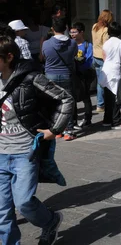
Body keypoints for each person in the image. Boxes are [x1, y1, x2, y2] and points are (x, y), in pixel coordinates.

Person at [0, 36, 74, 245]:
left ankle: (50, 221)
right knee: (2, 212)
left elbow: (65, 99)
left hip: (24, 152)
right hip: (0, 153)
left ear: (9, 57)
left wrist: (54, 129)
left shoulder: (30, 78)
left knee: (23, 202)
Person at [41, 17, 78, 140]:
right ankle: (69, 130)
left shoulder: (46, 43)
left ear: (52, 29)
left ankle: (56, 130)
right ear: (66, 28)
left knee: (54, 103)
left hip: (50, 75)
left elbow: (43, 57)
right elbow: (74, 56)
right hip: (66, 74)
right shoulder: (72, 43)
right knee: (68, 103)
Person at [98, 22, 121, 129]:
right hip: (115, 69)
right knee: (114, 96)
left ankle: (107, 120)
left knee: (108, 96)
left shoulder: (106, 43)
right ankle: (117, 121)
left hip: (106, 69)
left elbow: (104, 57)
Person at [70, 22, 95, 128]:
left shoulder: (87, 45)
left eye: (75, 32)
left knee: (86, 96)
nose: (72, 34)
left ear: (81, 32)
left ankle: (88, 118)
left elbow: (89, 60)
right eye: (71, 32)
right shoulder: (70, 44)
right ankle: (74, 120)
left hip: (83, 74)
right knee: (73, 97)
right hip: (73, 74)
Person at [92, 10, 113, 114]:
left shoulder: (94, 26)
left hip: (95, 55)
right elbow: (106, 45)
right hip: (102, 57)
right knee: (102, 83)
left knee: (99, 81)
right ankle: (100, 104)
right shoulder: (105, 30)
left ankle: (100, 103)